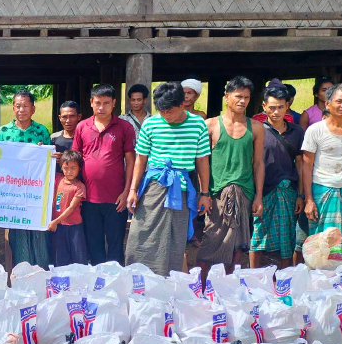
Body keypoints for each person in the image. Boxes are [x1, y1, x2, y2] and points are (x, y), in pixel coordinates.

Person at [125, 82, 211, 276]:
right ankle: (139, 280)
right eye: (162, 111)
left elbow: (202, 160)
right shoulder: (151, 123)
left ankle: (168, 282)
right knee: (141, 234)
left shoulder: (197, 124)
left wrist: (205, 193)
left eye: (170, 111)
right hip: (153, 187)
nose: (165, 115)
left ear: (182, 104)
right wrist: (133, 190)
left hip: (181, 190)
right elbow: (141, 159)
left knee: (174, 238)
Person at [197, 76, 264, 275]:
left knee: (239, 244)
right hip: (217, 193)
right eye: (238, 96)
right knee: (211, 239)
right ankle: (202, 286)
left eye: (247, 97)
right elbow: (201, 162)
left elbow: (258, 163)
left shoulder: (257, 127)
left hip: (244, 192)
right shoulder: (210, 125)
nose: (242, 101)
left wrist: (258, 196)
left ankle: (229, 286)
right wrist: (204, 193)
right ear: (227, 97)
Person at [72, 84, 135, 265]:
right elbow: (75, 158)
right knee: (94, 243)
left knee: (115, 244)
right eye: (97, 102)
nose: (101, 107)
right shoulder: (82, 127)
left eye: (106, 103)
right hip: (89, 198)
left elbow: (131, 161)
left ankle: (115, 283)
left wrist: (127, 192)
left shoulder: (124, 127)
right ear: (91, 102)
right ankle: (98, 285)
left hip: (116, 198)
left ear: (114, 103)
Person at [302, 84, 342, 270]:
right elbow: (306, 166)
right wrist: (309, 199)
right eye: (340, 101)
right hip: (322, 190)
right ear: (328, 103)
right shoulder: (315, 130)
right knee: (325, 241)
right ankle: (324, 285)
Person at [249, 84, 304, 269]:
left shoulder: (297, 131)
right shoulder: (256, 129)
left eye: (280, 107)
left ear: (287, 106)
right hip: (263, 190)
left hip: (288, 191)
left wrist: (301, 195)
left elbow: (301, 164)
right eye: (272, 107)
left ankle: (284, 278)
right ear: (264, 106)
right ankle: (255, 276)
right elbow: (253, 163)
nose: (276, 111)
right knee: (258, 236)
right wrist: (255, 195)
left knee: (287, 237)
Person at [0, 89, 52, 268]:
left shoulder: (41, 131)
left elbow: (49, 162)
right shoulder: (4, 131)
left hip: (36, 191)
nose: (21, 110)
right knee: (18, 234)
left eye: (25, 106)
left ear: (33, 109)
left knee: (38, 234)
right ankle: (22, 276)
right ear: (13, 108)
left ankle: (41, 274)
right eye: (18, 106)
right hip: (13, 193)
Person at [48, 150, 88, 266]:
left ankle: (80, 281)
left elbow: (71, 208)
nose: (69, 171)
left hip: (74, 226)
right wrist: (41, 150)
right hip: (59, 227)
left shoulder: (79, 187)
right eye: (66, 168)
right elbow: (44, 167)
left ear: (79, 168)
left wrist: (55, 221)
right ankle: (62, 281)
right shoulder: (57, 179)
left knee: (78, 257)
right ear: (61, 167)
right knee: (60, 257)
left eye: (73, 168)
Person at [51, 101, 82, 172]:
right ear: (59, 118)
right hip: (58, 181)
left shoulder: (83, 138)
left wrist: (64, 158)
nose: (68, 121)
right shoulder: (53, 138)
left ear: (79, 117)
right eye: (64, 117)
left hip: (80, 181)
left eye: (72, 116)